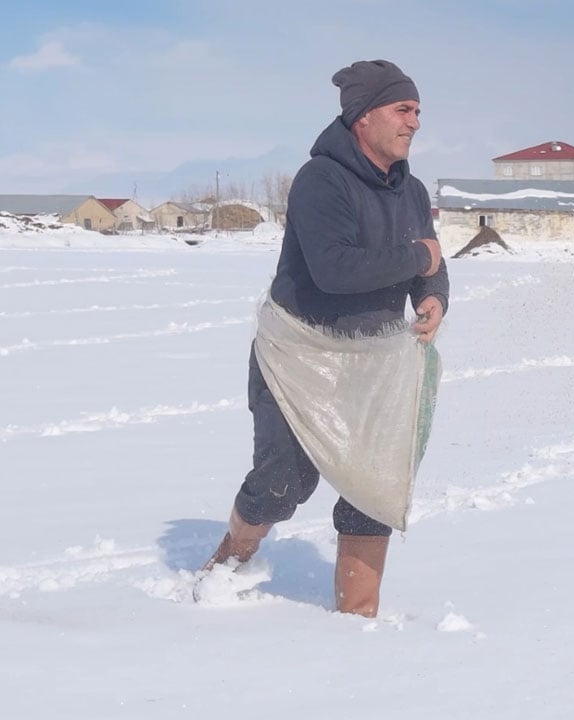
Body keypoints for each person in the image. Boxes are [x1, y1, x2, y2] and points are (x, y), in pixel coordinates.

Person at [200, 59, 449, 617]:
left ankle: (357, 622)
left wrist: (432, 294)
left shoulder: (411, 192)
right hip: (299, 354)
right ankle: (226, 567)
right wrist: (420, 257)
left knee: (375, 484)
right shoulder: (321, 181)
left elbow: (429, 260)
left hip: (376, 359)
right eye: (403, 110)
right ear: (363, 117)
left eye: (417, 112)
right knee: (283, 482)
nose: (414, 123)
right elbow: (335, 270)